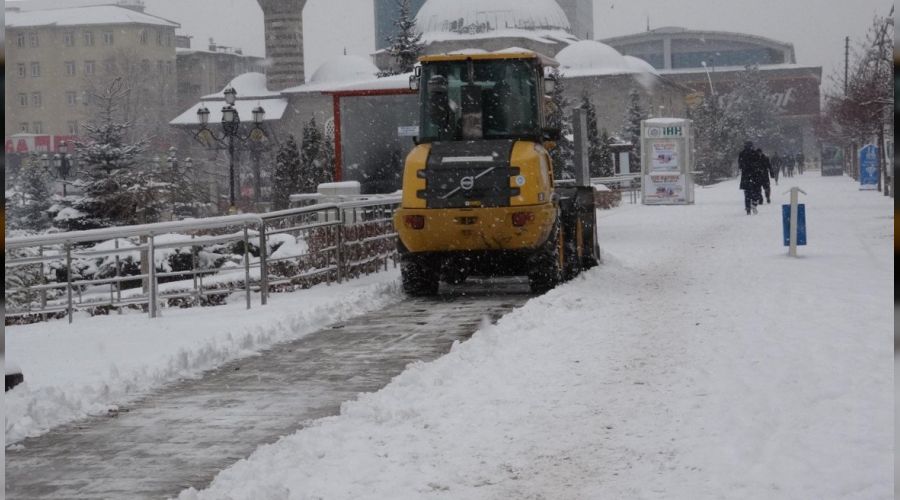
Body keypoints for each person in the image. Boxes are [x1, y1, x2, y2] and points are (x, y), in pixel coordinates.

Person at [738, 141, 765, 215]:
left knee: (747, 194)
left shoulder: (742, 154)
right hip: (754, 176)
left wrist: (744, 168)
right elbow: (759, 165)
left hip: (745, 177)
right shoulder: (755, 153)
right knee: (756, 192)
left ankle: (748, 209)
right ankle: (754, 203)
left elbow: (740, 166)